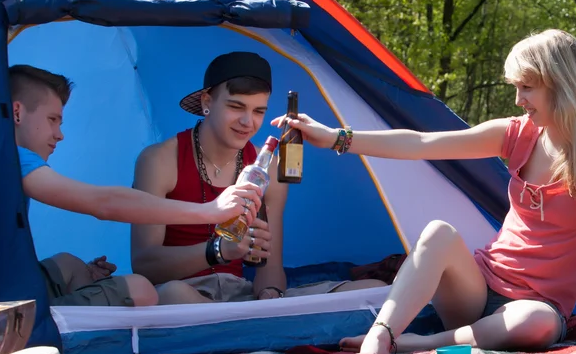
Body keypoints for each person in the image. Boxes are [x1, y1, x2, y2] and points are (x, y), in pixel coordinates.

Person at [271, 29, 576, 354]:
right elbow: (422, 144)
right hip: (477, 289)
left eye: (526, 87)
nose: (518, 99)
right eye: (516, 87)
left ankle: (416, 343)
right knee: (438, 232)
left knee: (536, 323)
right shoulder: (518, 134)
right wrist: (338, 138)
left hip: (535, 307)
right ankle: (382, 333)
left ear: (560, 82)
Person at [131, 51, 386, 304]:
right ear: (207, 102)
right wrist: (218, 251)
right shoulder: (159, 160)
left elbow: (270, 269)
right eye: (235, 106)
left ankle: (256, 330)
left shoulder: (267, 167)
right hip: (184, 296)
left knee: (372, 290)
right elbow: (145, 265)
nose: (247, 121)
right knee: (174, 295)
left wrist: (270, 295)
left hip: (239, 297)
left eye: (258, 111)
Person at [11, 64, 262, 307]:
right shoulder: (13, 157)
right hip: (4, 296)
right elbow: (105, 204)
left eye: (259, 111)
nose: (59, 134)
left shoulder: (262, 163)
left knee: (70, 265)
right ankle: (34, 328)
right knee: (141, 289)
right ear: (17, 112)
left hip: (12, 279)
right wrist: (211, 211)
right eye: (52, 119)